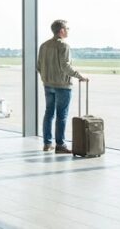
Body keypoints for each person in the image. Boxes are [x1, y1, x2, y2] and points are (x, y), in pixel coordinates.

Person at [37, 19, 88, 154]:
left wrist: (46, 78)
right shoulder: (64, 46)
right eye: (67, 28)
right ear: (61, 31)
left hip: (48, 85)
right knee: (61, 116)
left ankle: (47, 143)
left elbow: (38, 66)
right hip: (62, 86)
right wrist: (79, 76)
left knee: (48, 114)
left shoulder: (43, 46)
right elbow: (65, 66)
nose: (68, 31)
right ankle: (60, 145)